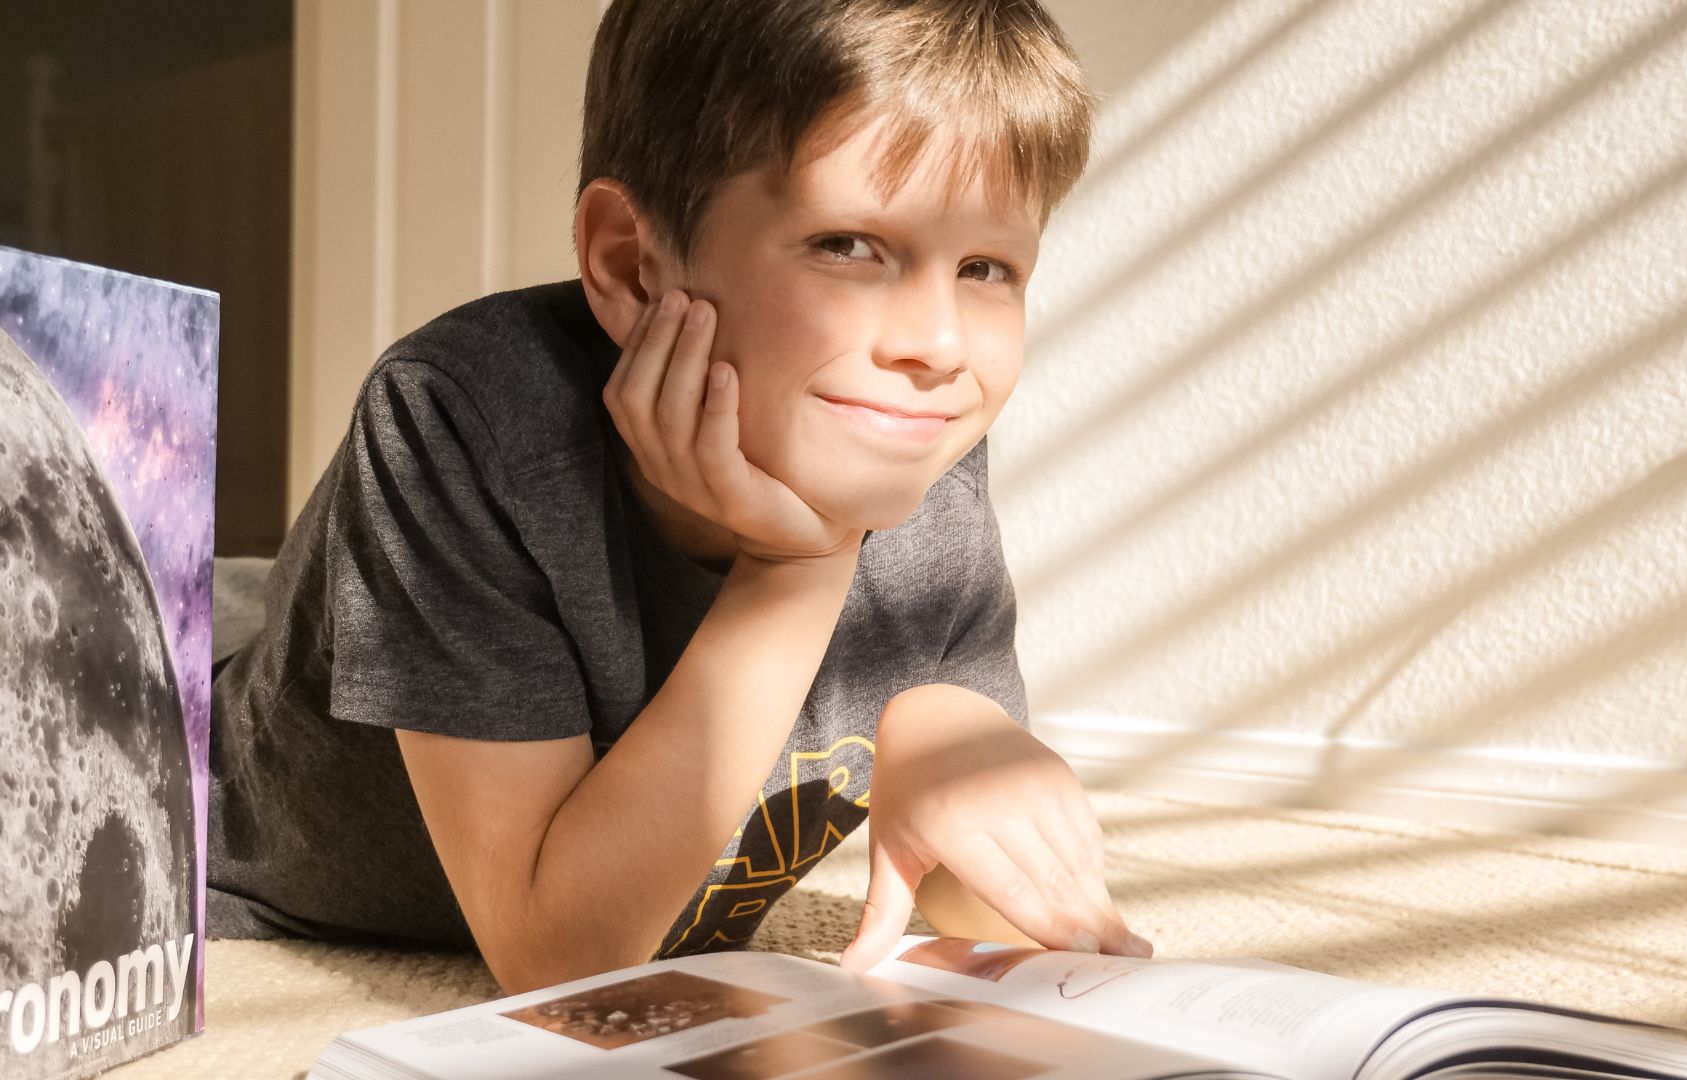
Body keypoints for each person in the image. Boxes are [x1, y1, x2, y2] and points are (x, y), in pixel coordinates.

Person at [207, 0, 1153, 995]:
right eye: (851, 246)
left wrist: (957, 748)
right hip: (190, 759)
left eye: (987, 268)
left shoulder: (909, 443)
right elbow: (558, 962)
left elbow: (997, 911)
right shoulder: (465, 418)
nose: (940, 344)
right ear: (630, 262)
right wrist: (797, 568)